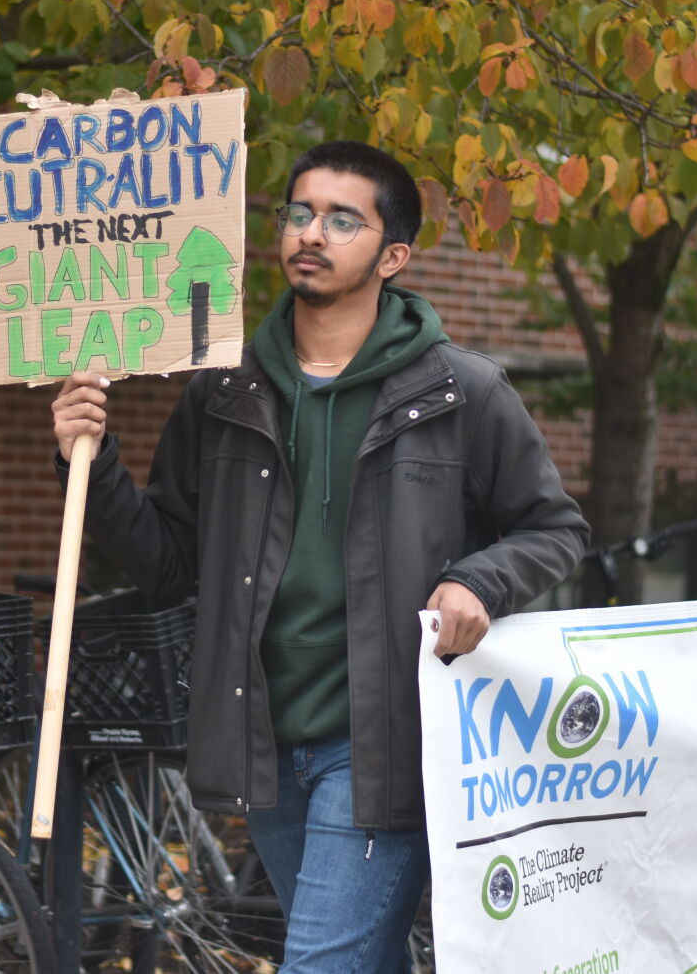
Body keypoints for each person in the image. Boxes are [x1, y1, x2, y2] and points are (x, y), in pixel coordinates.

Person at [51, 140, 590, 972]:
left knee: (317, 964)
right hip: (262, 744)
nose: (312, 232)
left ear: (393, 254)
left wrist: (475, 580)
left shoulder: (461, 391)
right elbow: (165, 562)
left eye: (343, 220)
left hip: (385, 745)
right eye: (300, 212)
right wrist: (91, 458)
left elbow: (553, 526)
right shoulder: (222, 389)